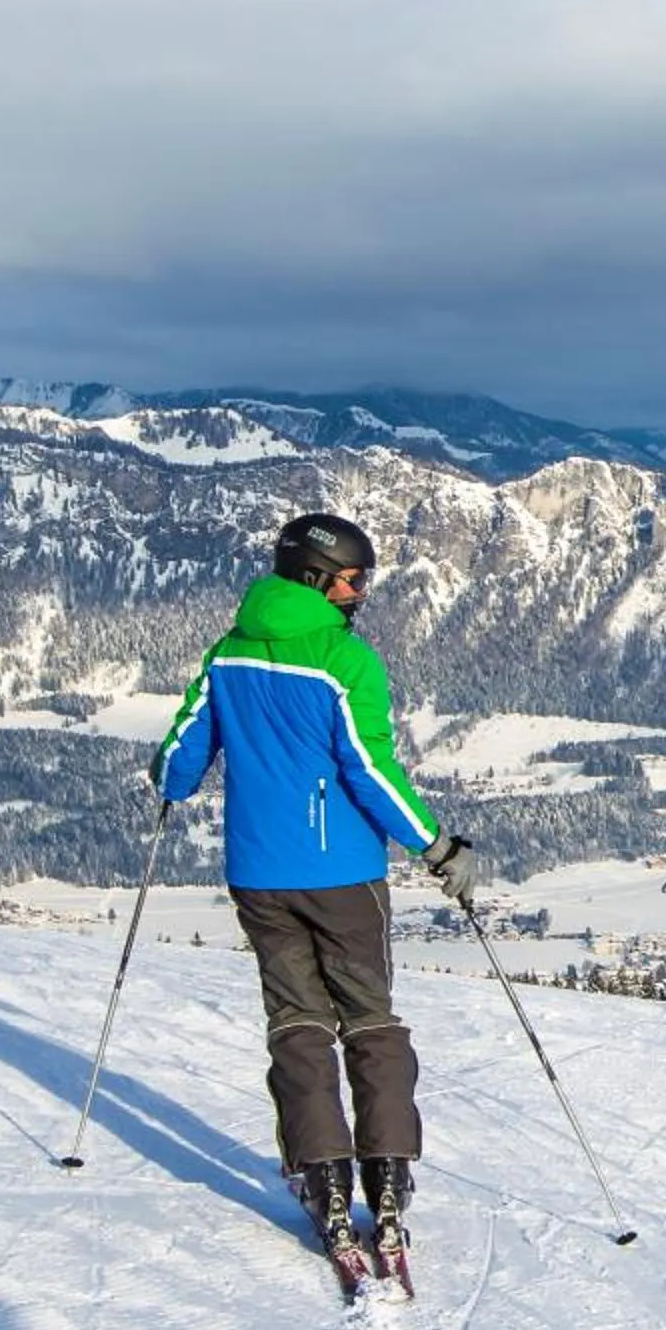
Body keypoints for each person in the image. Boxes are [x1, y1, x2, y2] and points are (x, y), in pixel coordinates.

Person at [156, 512, 476, 1284]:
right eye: (353, 577)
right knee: (369, 1020)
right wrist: (436, 846)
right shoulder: (344, 661)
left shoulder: (228, 653)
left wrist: (168, 784)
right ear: (314, 576)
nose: (361, 591)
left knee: (296, 1025)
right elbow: (370, 771)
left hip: (260, 877)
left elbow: (182, 750)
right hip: (342, 876)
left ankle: (324, 1178)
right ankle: (386, 1179)